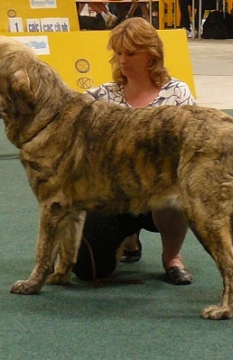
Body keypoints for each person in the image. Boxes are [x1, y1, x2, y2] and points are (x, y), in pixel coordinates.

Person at [73, 17, 196, 285]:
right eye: (118, 53)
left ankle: (172, 257)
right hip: (114, 194)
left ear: (151, 55)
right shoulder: (103, 95)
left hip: (160, 191)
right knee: (88, 271)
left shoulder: (177, 93)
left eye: (130, 53)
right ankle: (129, 239)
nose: (122, 60)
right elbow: (67, 110)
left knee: (176, 192)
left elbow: (193, 144)